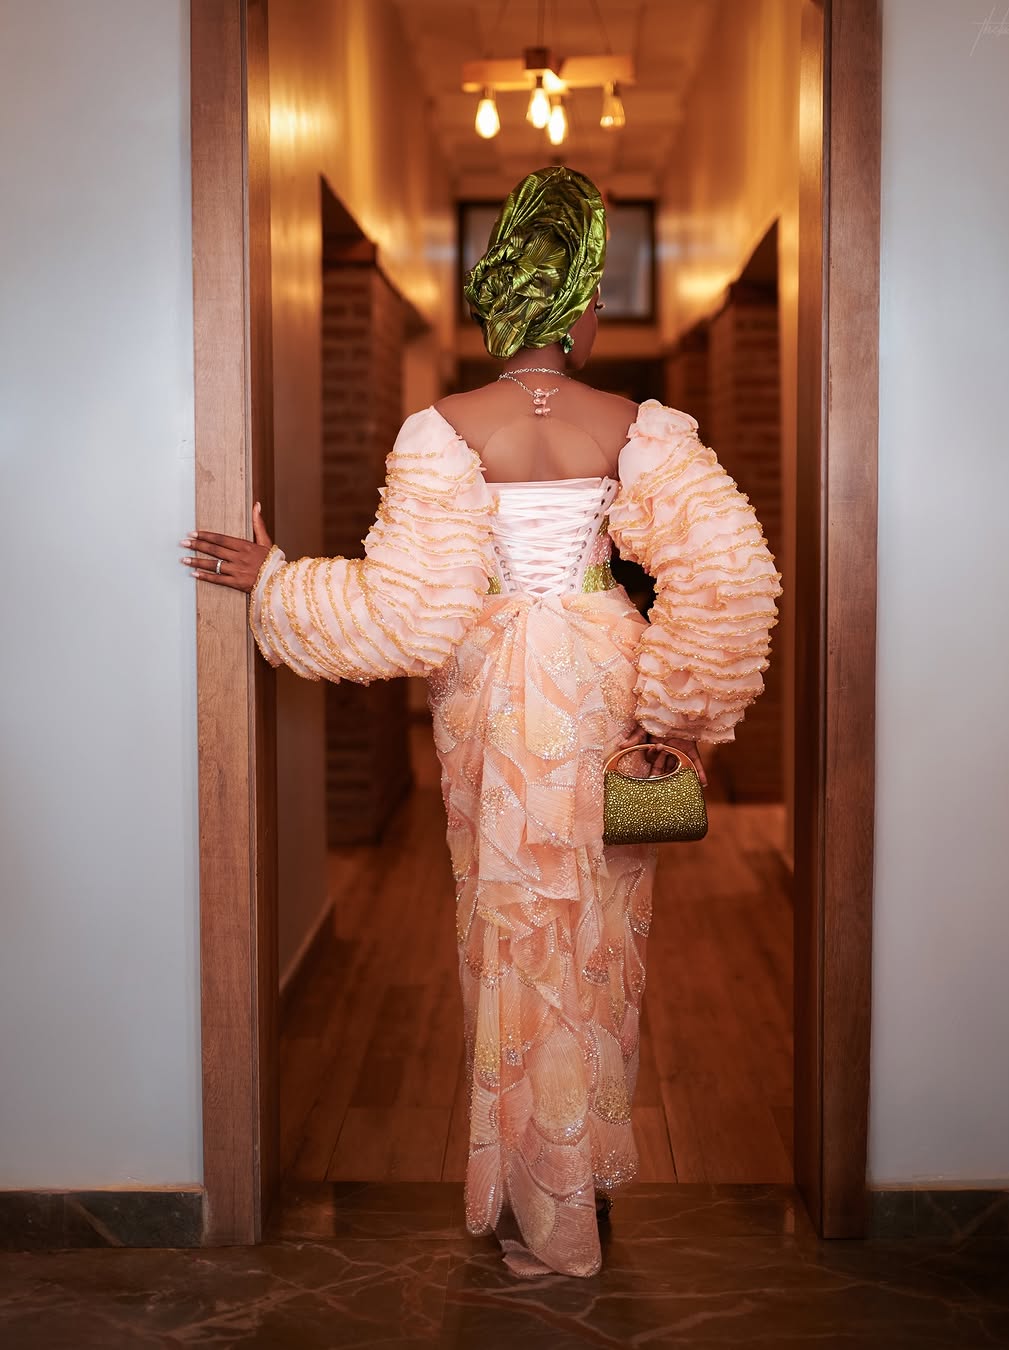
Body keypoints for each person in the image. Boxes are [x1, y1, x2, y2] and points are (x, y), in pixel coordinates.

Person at [180, 166, 782, 1278]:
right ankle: (579, 1194)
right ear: (583, 304)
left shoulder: (441, 431)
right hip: (603, 689)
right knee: (601, 939)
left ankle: (539, 1210)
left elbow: (410, 616)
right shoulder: (636, 425)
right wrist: (679, 715)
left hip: (498, 702)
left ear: (508, 297)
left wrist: (278, 582)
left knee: (507, 934)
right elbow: (730, 575)